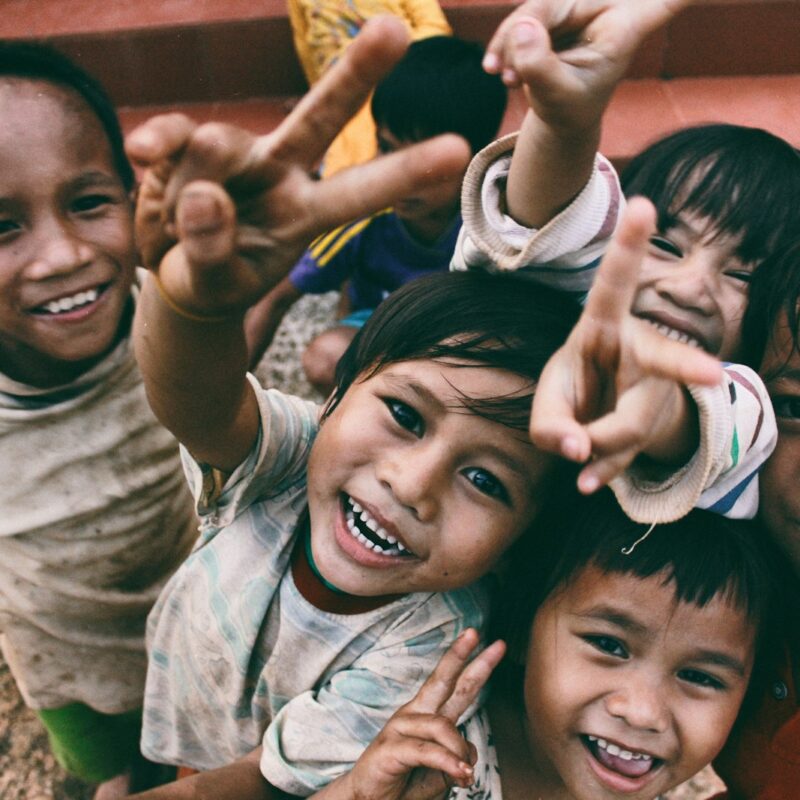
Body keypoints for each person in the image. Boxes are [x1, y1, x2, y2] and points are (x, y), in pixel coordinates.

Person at [122, 18, 739, 799]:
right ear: (337, 395)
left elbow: (251, 784)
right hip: (193, 704)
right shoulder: (293, 458)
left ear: (519, 545)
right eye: (406, 416)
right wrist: (193, 306)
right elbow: (196, 399)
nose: (413, 484)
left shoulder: (433, 647)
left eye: (487, 482)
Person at [0, 42, 198, 798]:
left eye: (88, 202)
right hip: (57, 652)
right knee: (101, 769)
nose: (61, 255)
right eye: (2, 227)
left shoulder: (172, 315)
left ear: (131, 193)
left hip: (190, 616)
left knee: (191, 749)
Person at [318, 485, 786, 800]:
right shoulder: (409, 745)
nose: (642, 713)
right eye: (609, 645)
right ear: (522, 627)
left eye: (699, 677)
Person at [454, 0, 800, 365]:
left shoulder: (747, 410)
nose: (688, 290)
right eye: (664, 244)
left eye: (743, 276)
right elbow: (549, 227)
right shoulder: (546, 322)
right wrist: (563, 126)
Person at [246, 35, 507, 394]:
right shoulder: (362, 215)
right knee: (325, 357)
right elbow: (275, 296)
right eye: (386, 147)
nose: (402, 175)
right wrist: (220, 403)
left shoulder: (496, 219)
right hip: (379, 335)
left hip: (457, 343)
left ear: (478, 158)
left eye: (426, 161)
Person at [287, 0, 452, 177]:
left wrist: (378, 52)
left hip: (394, 70)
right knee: (346, 148)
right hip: (341, 83)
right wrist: (318, 93)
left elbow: (436, 29)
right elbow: (305, 47)